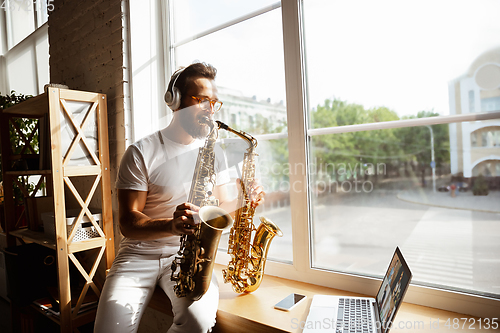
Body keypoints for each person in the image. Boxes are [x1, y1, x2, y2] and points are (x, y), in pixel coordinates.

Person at [94, 62, 265, 333]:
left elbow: (223, 211)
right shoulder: (141, 152)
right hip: (139, 254)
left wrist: (245, 199)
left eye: (214, 103)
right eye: (201, 100)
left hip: (189, 255)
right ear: (175, 101)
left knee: (197, 323)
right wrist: (169, 225)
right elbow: (127, 223)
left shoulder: (215, 152)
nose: (210, 110)